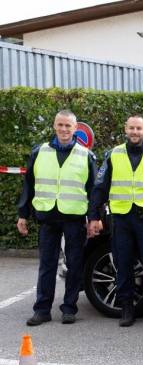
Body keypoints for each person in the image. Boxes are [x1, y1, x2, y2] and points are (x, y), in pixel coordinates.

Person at [88, 115, 143, 328]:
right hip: (121, 219)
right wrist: (94, 216)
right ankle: (126, 307)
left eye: (139, 128)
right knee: (122, 263)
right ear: (125, 129)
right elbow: (100, 187)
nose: (135, 132)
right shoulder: (113, 155)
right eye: (131, 128)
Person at [17, 110, 97, 326]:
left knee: (74, 264)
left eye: (68, 126)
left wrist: (93, 219)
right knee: (47, 265)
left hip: (74, 217)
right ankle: (42, 310)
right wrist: (23, 214)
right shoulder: (39, 152)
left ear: (75, 129)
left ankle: (69, 307)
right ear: (54, 126)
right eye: (60, 125)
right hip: (48, 217)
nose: (63, 129)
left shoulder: (85, 155)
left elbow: (93, 191)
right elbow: (29, 185)